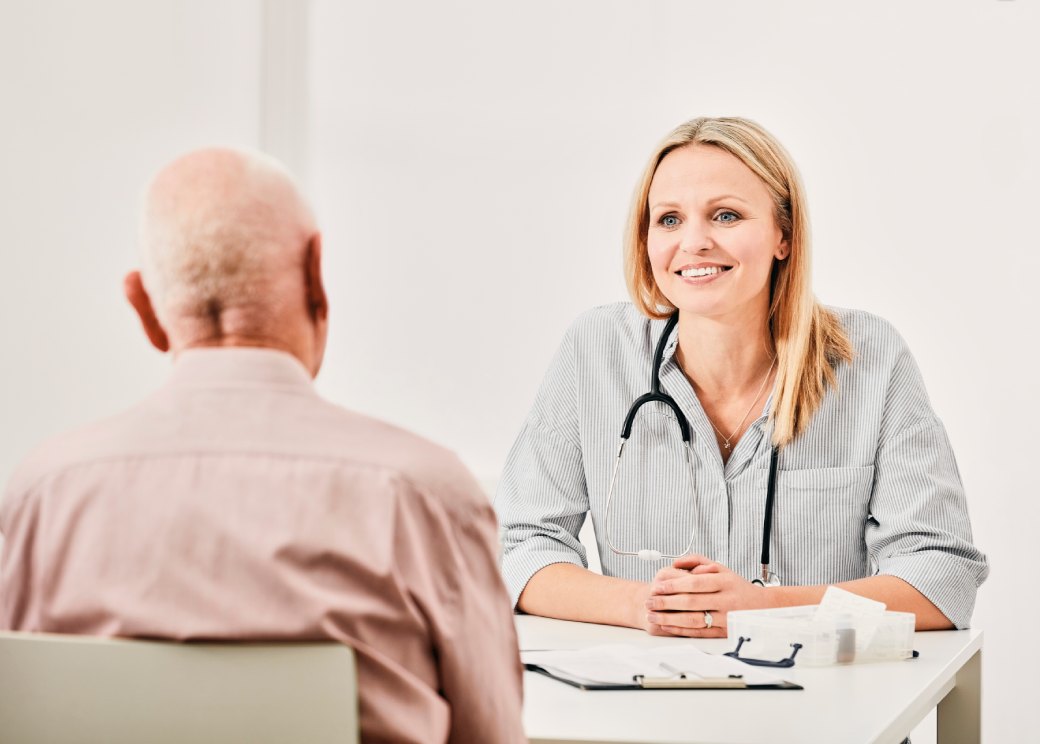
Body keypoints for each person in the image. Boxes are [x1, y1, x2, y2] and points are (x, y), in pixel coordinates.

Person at [0, 148, 525, 743]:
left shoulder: (44, 493)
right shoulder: (426, 493)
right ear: (317, 278)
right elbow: (492, 735)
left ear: (145, 308)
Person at [496, 116, 988, 636]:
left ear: (784, 235)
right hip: (641, 702)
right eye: (668, 220)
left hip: (822, 705)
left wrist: (764, 607)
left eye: (725, 215)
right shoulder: (594, 352)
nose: (694, 242)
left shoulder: (870, 360)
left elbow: (942, 578)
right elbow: (523, 549)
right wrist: (647, 606)